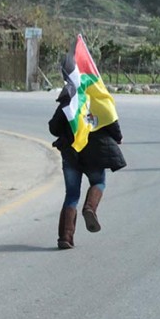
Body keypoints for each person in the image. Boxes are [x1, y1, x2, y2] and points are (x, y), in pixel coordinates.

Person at [48, 85, 126, 250]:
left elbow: (53, 128)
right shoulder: (98, 99)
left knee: (72, 195)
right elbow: (112, 123)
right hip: (95, 154)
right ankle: (90, 208)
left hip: (71, 153)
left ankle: (65, 237)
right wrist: (118, 138)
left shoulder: (69, 98)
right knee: (98, 182)